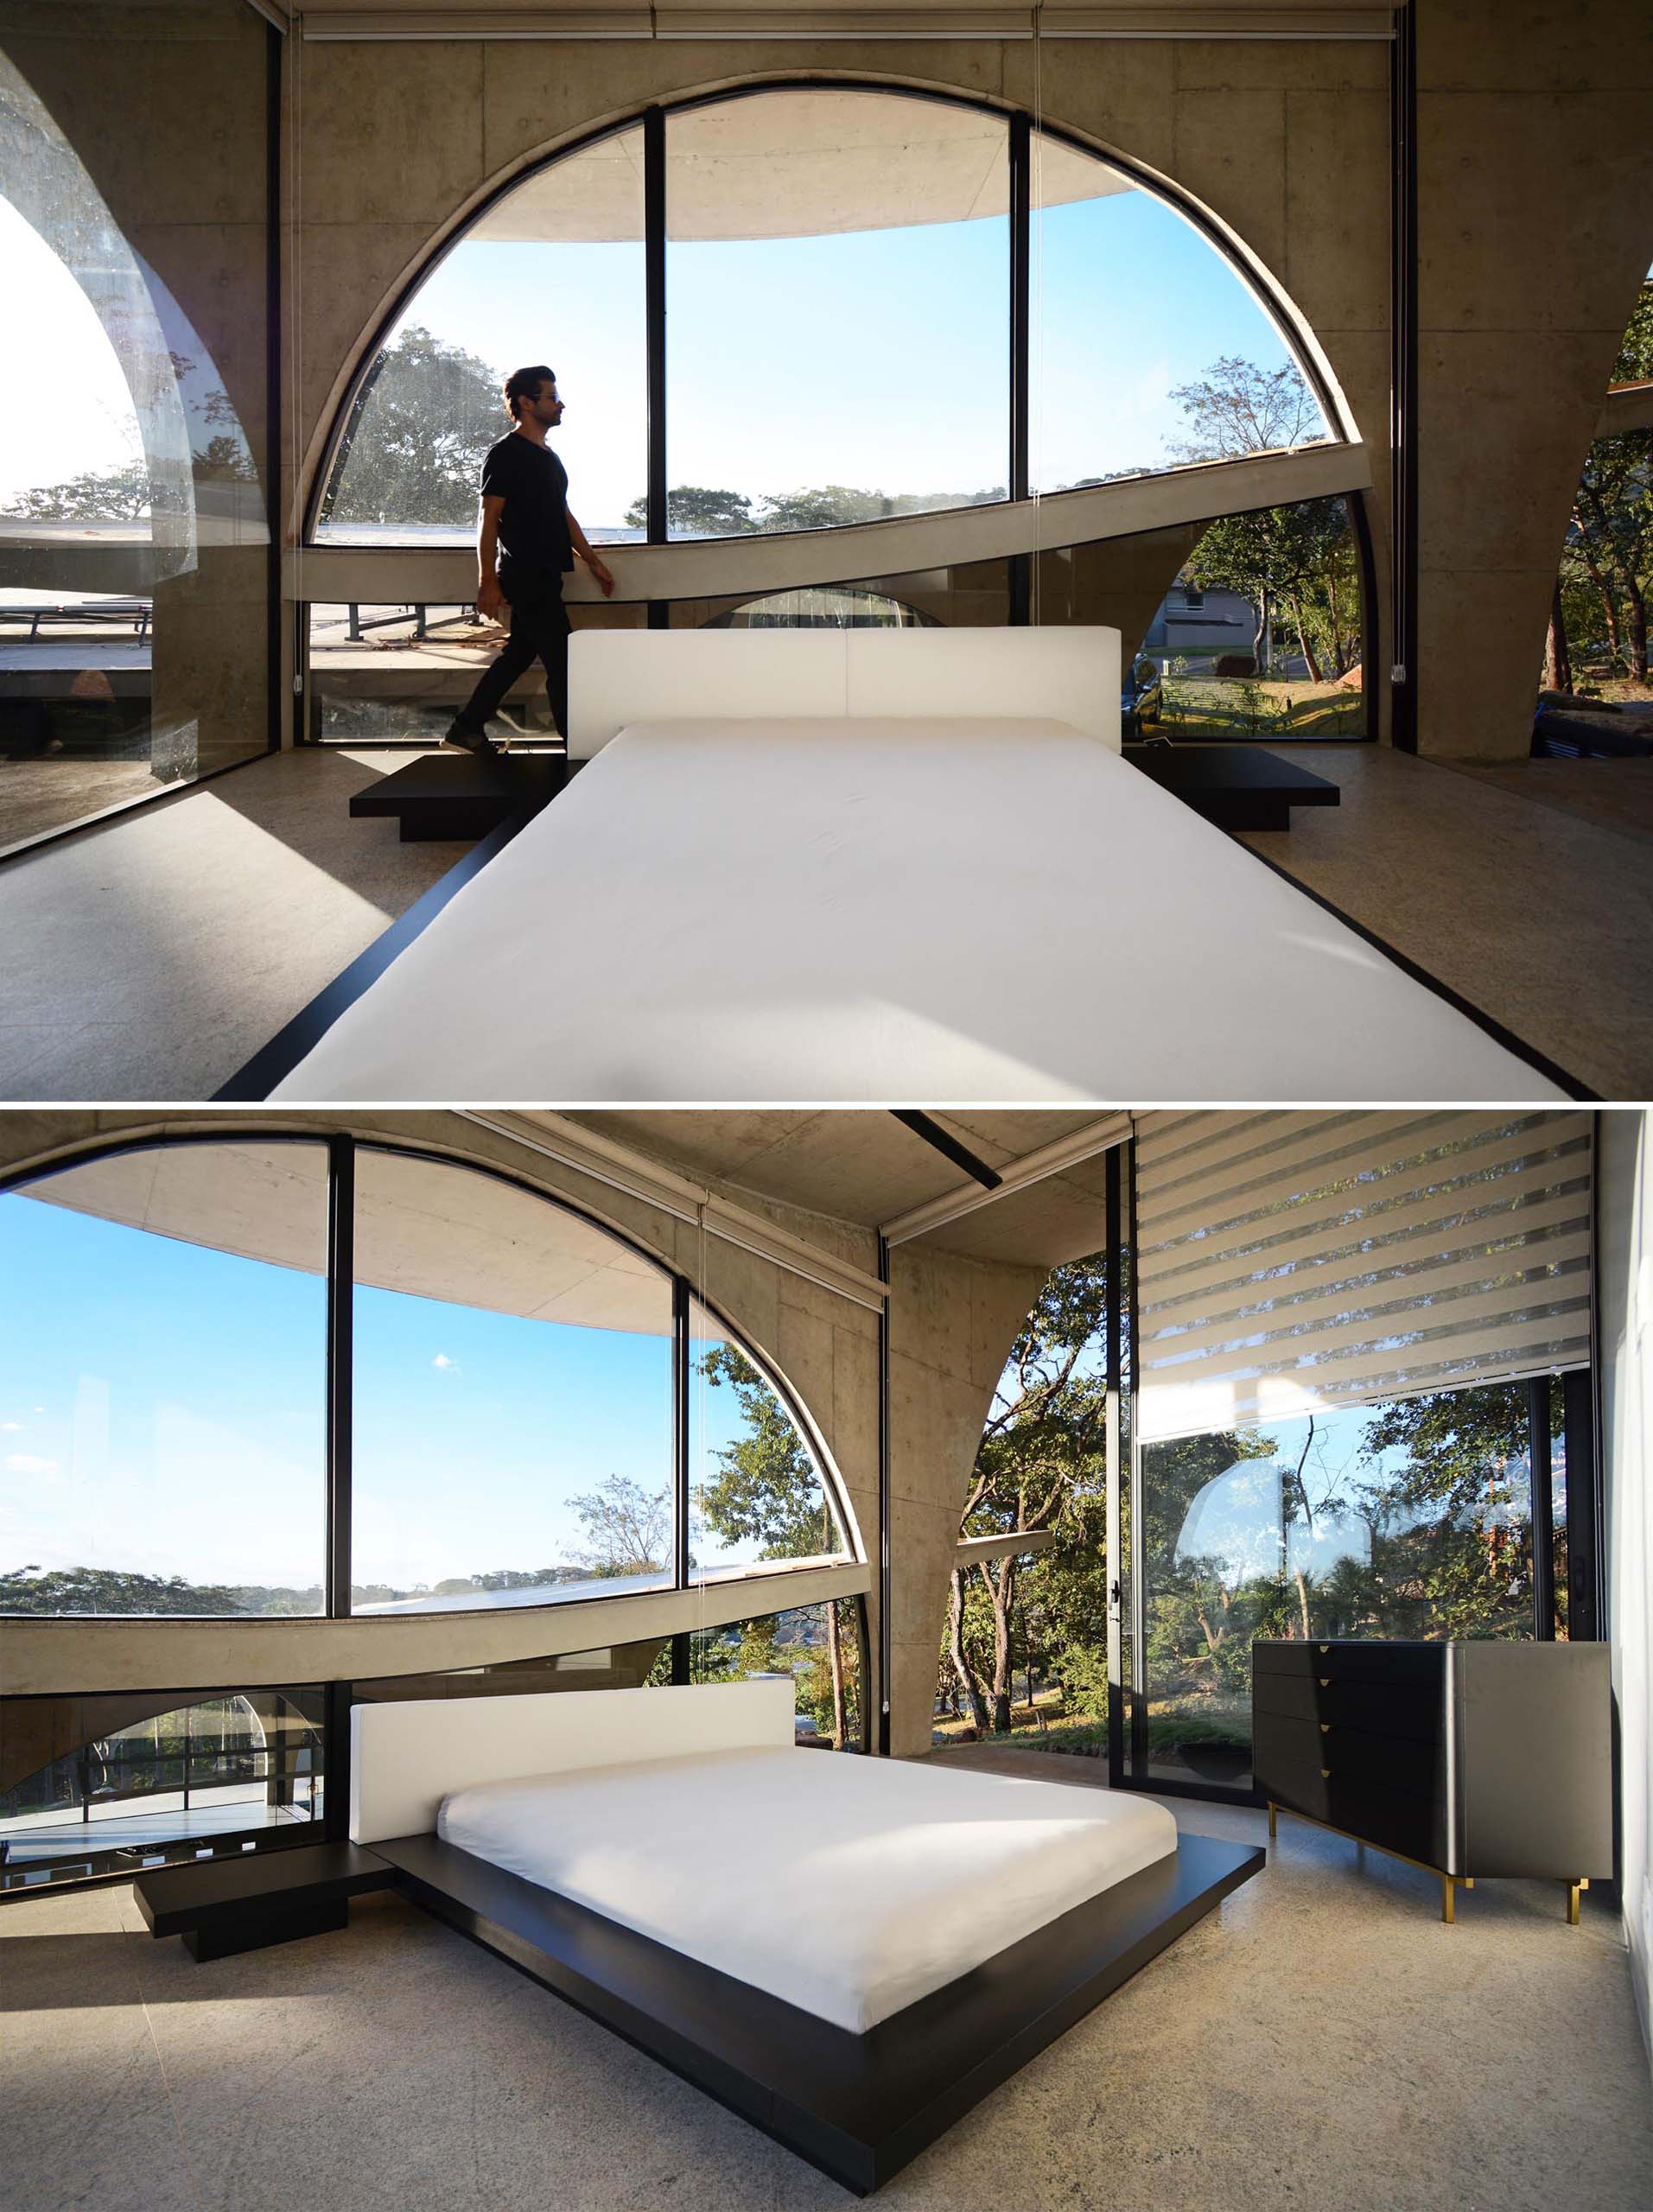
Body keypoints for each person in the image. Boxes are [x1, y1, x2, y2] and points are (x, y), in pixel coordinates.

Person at [445, 363, 614, 752]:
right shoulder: (506, 453)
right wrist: (487, 580)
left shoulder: (550, 459)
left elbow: (563, 514)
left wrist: (592, 560)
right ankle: (580, 745)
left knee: (519, 654)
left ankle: (466, 727)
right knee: (564, 661)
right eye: (552, 397)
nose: (560, 405)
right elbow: (488, 519)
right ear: (526, 402)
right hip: (525, 575)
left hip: (547, 574)